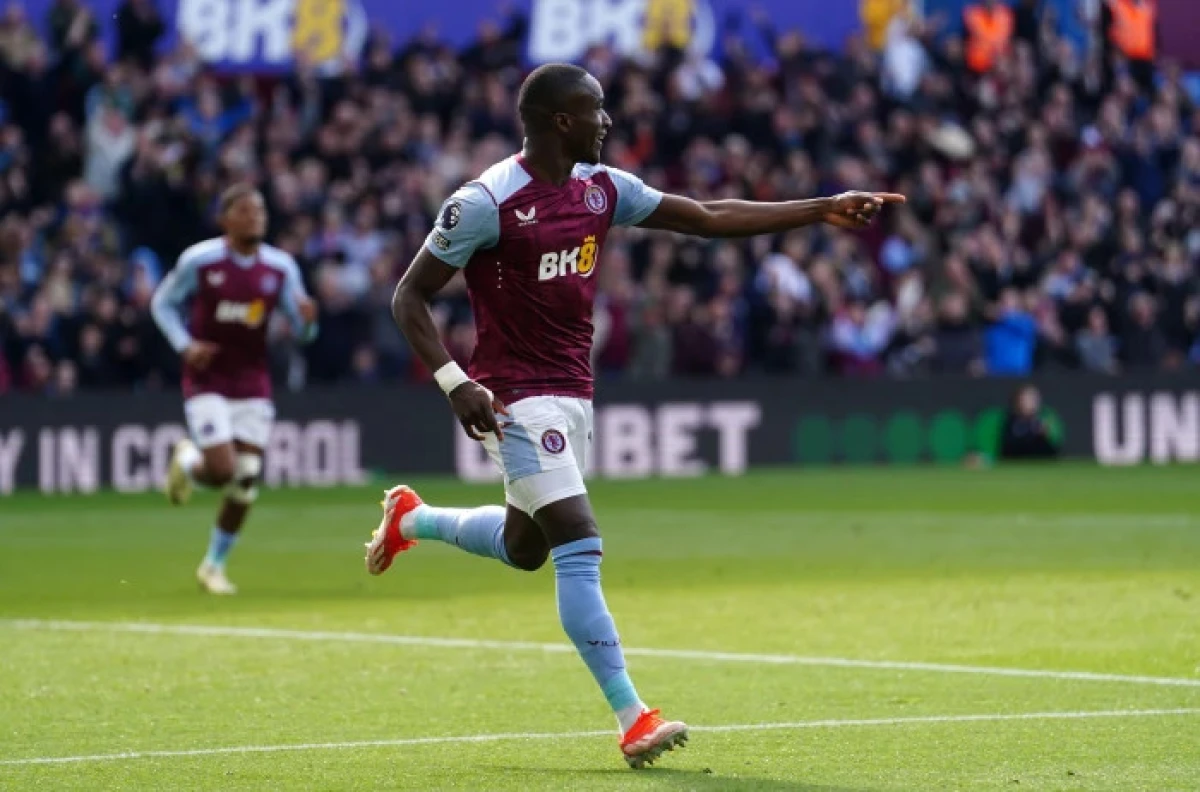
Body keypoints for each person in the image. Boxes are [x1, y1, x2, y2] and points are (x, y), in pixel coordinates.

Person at [366, 64, 903, 768]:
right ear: (561, 120)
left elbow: (706, 217)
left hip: (573, 392)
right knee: (579, 543)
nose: (608, 121)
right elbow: (408, 297)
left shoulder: (602, 188)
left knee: (526, 548)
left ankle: (411, 519)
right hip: (513, 397)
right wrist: (454, 381)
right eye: (596, 109)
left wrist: (821, 207)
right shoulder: (485, 202)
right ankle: (633, 716)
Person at [150, 185, 318, 594]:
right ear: (224, 220)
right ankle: (188, 459)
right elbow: (162, 303)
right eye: (244, 210)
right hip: (207, 378)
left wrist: (309, 322)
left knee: (246, 478)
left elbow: (302, 332)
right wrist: (185, 345)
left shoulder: (280, 267)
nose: (254, 217)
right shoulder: (200, 260)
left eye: (259, 210)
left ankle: (213, 566)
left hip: (252, 381)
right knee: (224, 470)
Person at [998, 384, 1061, 460]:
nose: (1031, 403)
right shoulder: (1007, 421)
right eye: (1027, 399)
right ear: (1018, 400)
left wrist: (1045, 435)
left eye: (1034, 399)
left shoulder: (1046, 419)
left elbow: (1054, 450)